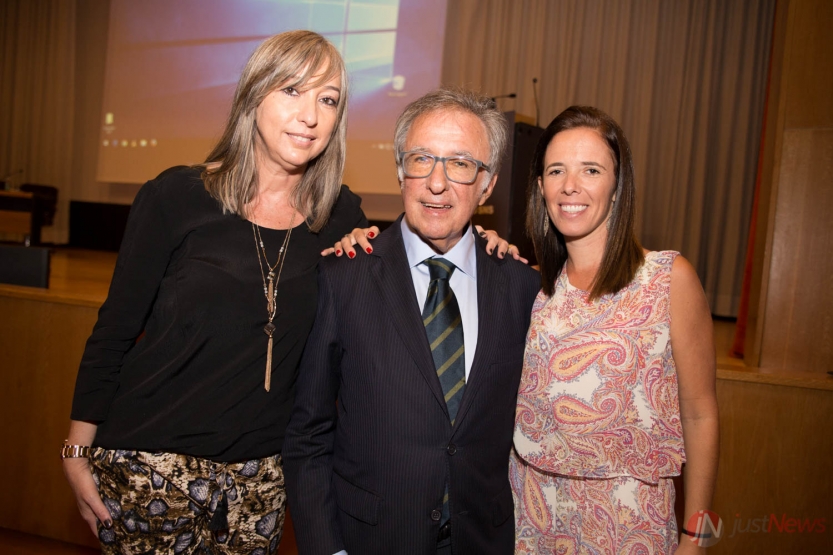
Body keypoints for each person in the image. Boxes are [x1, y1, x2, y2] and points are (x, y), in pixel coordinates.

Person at [282, 87, 541, 555]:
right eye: (421, 159)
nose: (436, 183)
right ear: (401, 170)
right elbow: (308, 436)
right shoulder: (344, 277)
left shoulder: (521, 287)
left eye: (460, 164)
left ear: (487, 184)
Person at [509, 106, 719, 554]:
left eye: (591, 170)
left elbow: (700, 415)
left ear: (618, 185)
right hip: (531, 521)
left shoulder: (668, 279)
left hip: (629, 527)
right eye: (556, 170)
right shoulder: (532, 288)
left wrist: (698, 538)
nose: (570, 185)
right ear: (541, 187)